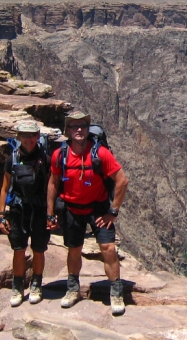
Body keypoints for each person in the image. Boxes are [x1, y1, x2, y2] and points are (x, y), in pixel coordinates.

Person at [47, 110, 129, 316]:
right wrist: (50, 212)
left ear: (87, 128)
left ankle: (116, 294)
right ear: (67, 130)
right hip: (72, 209)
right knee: (74, 250)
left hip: (98, 209)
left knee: (108, 249)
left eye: (82, 125)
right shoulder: (60, 155)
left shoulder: (100, 153)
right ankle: (73, 290)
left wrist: (113, 211)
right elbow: (53, 183)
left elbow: (122, 180)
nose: (79, 130)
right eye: (74, 126)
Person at [0, 120, 50, 306]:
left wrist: (51, 214)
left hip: (39, 211)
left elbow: (52, 187)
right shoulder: (11, 159)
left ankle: (36, 284)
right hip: (18, 211)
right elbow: (5, 188)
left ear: (37, 136)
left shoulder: (45, 159)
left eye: (32, 135)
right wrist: (1, 214)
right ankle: (18, 286)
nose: (29, 139)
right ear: (19, 137)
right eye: (25, 135)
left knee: (38, 249)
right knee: (18, 250)